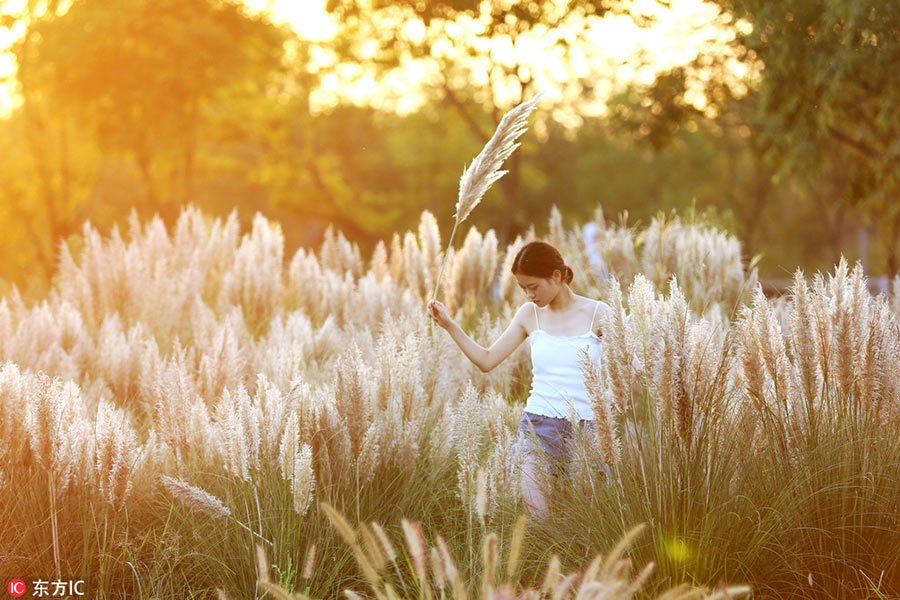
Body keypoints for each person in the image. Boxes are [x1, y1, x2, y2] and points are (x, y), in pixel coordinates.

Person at [427, 239, 611, 517]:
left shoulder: (599, 313)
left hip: (587, 429)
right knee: (536, 518)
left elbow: (630, 366)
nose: (528, 294)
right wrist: (450, 325)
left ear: (557, 276)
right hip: (538, 427)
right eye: (523, 288)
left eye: (533, 286)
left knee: (582, 524)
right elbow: (487, 360)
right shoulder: (529, 315)